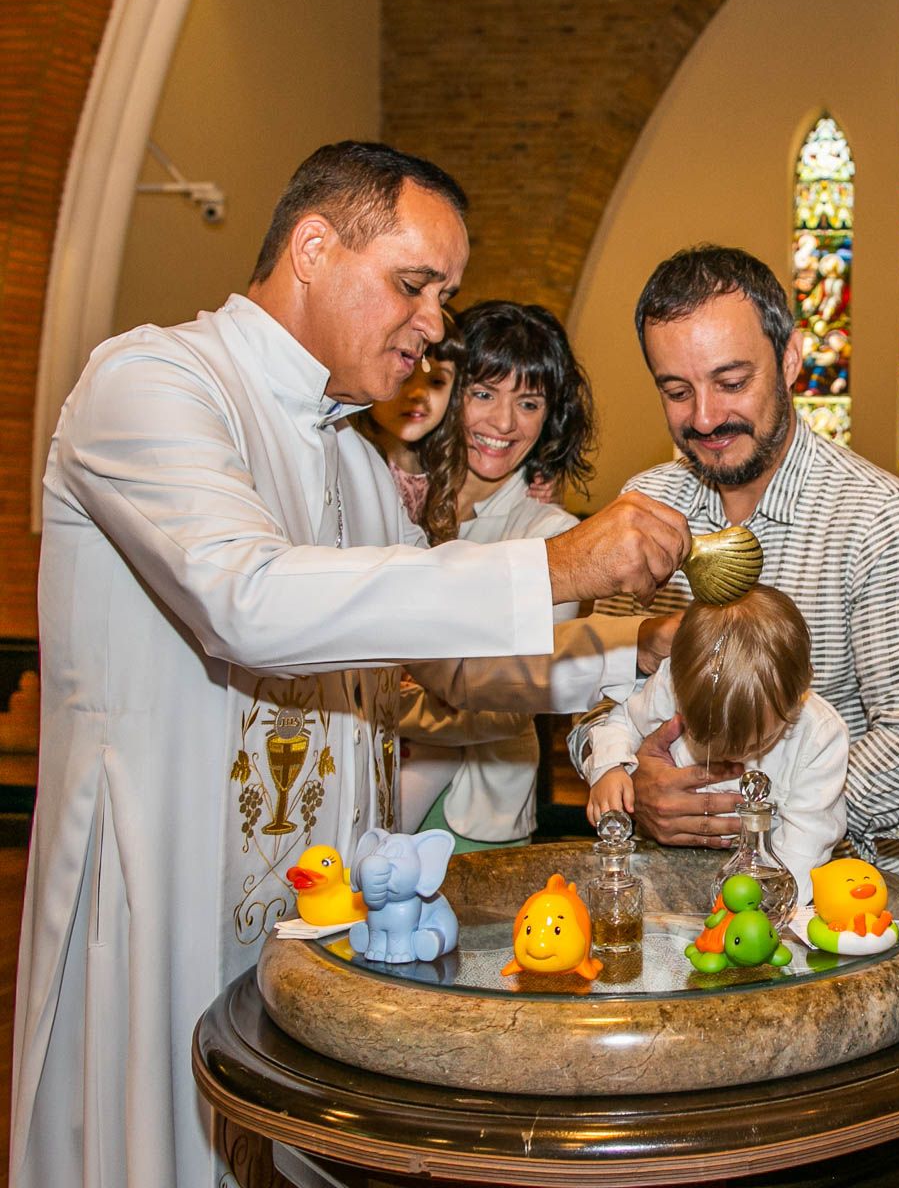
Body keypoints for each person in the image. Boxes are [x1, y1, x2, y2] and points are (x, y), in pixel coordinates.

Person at [15, 140, 691, 1188]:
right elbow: (246, 601)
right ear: (313, 247)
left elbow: (450, 667)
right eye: (414, 284)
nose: (436, 324)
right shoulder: (152, 383)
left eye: (445, 296)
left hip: (321, 920)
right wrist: (560, 564)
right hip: (170, 891)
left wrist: (631, 648)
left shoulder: (356, 465)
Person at [582, 245, 899, 881]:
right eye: (677, 391)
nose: (705, 417)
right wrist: (629, 779)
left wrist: (754, 821)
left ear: (789, 359)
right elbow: (597, 701)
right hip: (665, 885)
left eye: (731, 383)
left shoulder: (877, 516)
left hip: (832, 891)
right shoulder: (642, 509)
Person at [396, 300, 607, 851]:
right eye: (484, 393)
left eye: (529, 402)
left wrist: (378, 698)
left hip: (474, 815)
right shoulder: (396, 496)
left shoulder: (552, 535)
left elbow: (505, 705)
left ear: (550, 417)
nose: (505, 423)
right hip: (366, 780)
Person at [580, 585, 849, 906]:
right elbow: (623, 719)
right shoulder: (670, 686)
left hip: (758, 881)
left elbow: (806, 842)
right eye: (707, 737)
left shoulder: (819, 736)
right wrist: (610, 767)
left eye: (756, 743)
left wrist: (765, 903)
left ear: (798, 694)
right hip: (661, 870)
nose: (730, 755)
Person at [349, 312, 458, 522]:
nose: (418, 393)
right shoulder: (354, 466)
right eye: (404, 377)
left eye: (436, 381)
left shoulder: (445, 466)